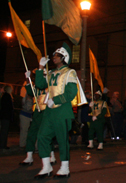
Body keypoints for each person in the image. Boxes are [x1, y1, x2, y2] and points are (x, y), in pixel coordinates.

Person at [34, 42, 83, 179]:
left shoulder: (70, 72)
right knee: (42, 136)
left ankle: (64, 167)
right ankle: (46, 166)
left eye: (56, 55)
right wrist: (40, 67)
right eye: (54, 55)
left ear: (63, 58)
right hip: (49, 112)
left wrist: (55, 100)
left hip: (62, 111)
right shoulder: (51, 72)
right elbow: (40, 84)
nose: (53, 57)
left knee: (62, 140)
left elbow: (71, 93)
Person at [19, 70, 56, 166]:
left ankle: (52, 155)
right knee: (31, 134)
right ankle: (29, 156)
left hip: (47, 112)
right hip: (37, 112)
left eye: (43, 75)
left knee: (46, 135)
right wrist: (28, 80)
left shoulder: (51, 85)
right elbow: (31, 92)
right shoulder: (38, 86)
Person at [0, 85, 14, 150]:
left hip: (4, 115)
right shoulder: (7, 96)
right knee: (4, 131)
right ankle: (2, 145)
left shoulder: (5, 96)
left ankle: (2, 144)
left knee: (3, 130)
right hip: (6, 116)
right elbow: (8, 107)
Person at [19, 81, 33, 148]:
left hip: (26, 114)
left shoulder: (28, 96)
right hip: (25, 114)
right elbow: (27, 106)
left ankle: (23, 143)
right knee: (24, 130)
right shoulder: (28, 96)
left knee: (25, 130)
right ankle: (22, 143)